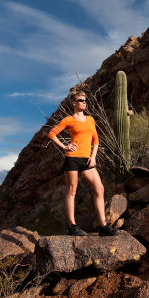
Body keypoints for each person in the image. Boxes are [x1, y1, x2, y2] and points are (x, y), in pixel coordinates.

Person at [47, 90, 120, 236]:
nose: (84, 102)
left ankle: (103, 226)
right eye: (81, 100)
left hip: (87, 159)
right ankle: (72, 227)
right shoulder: (68, 120)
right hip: (72, 158)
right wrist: (64, 146)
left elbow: (96, 140)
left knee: (99, 188)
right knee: (72, 190)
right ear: (74, 103)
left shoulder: (90, 120)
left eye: (85, 100)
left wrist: (93, 157)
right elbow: (51, 134)